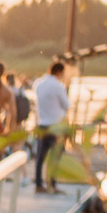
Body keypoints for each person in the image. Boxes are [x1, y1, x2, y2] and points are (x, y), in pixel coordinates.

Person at [30, 60, 72, 193]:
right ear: (59, 72)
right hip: (55, 126)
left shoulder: (38, 83)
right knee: (55, 157)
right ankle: (52, 185)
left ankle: (38, 184)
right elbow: (67, 105)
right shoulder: (58, 86)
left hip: (42, 124)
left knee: (40, 156)